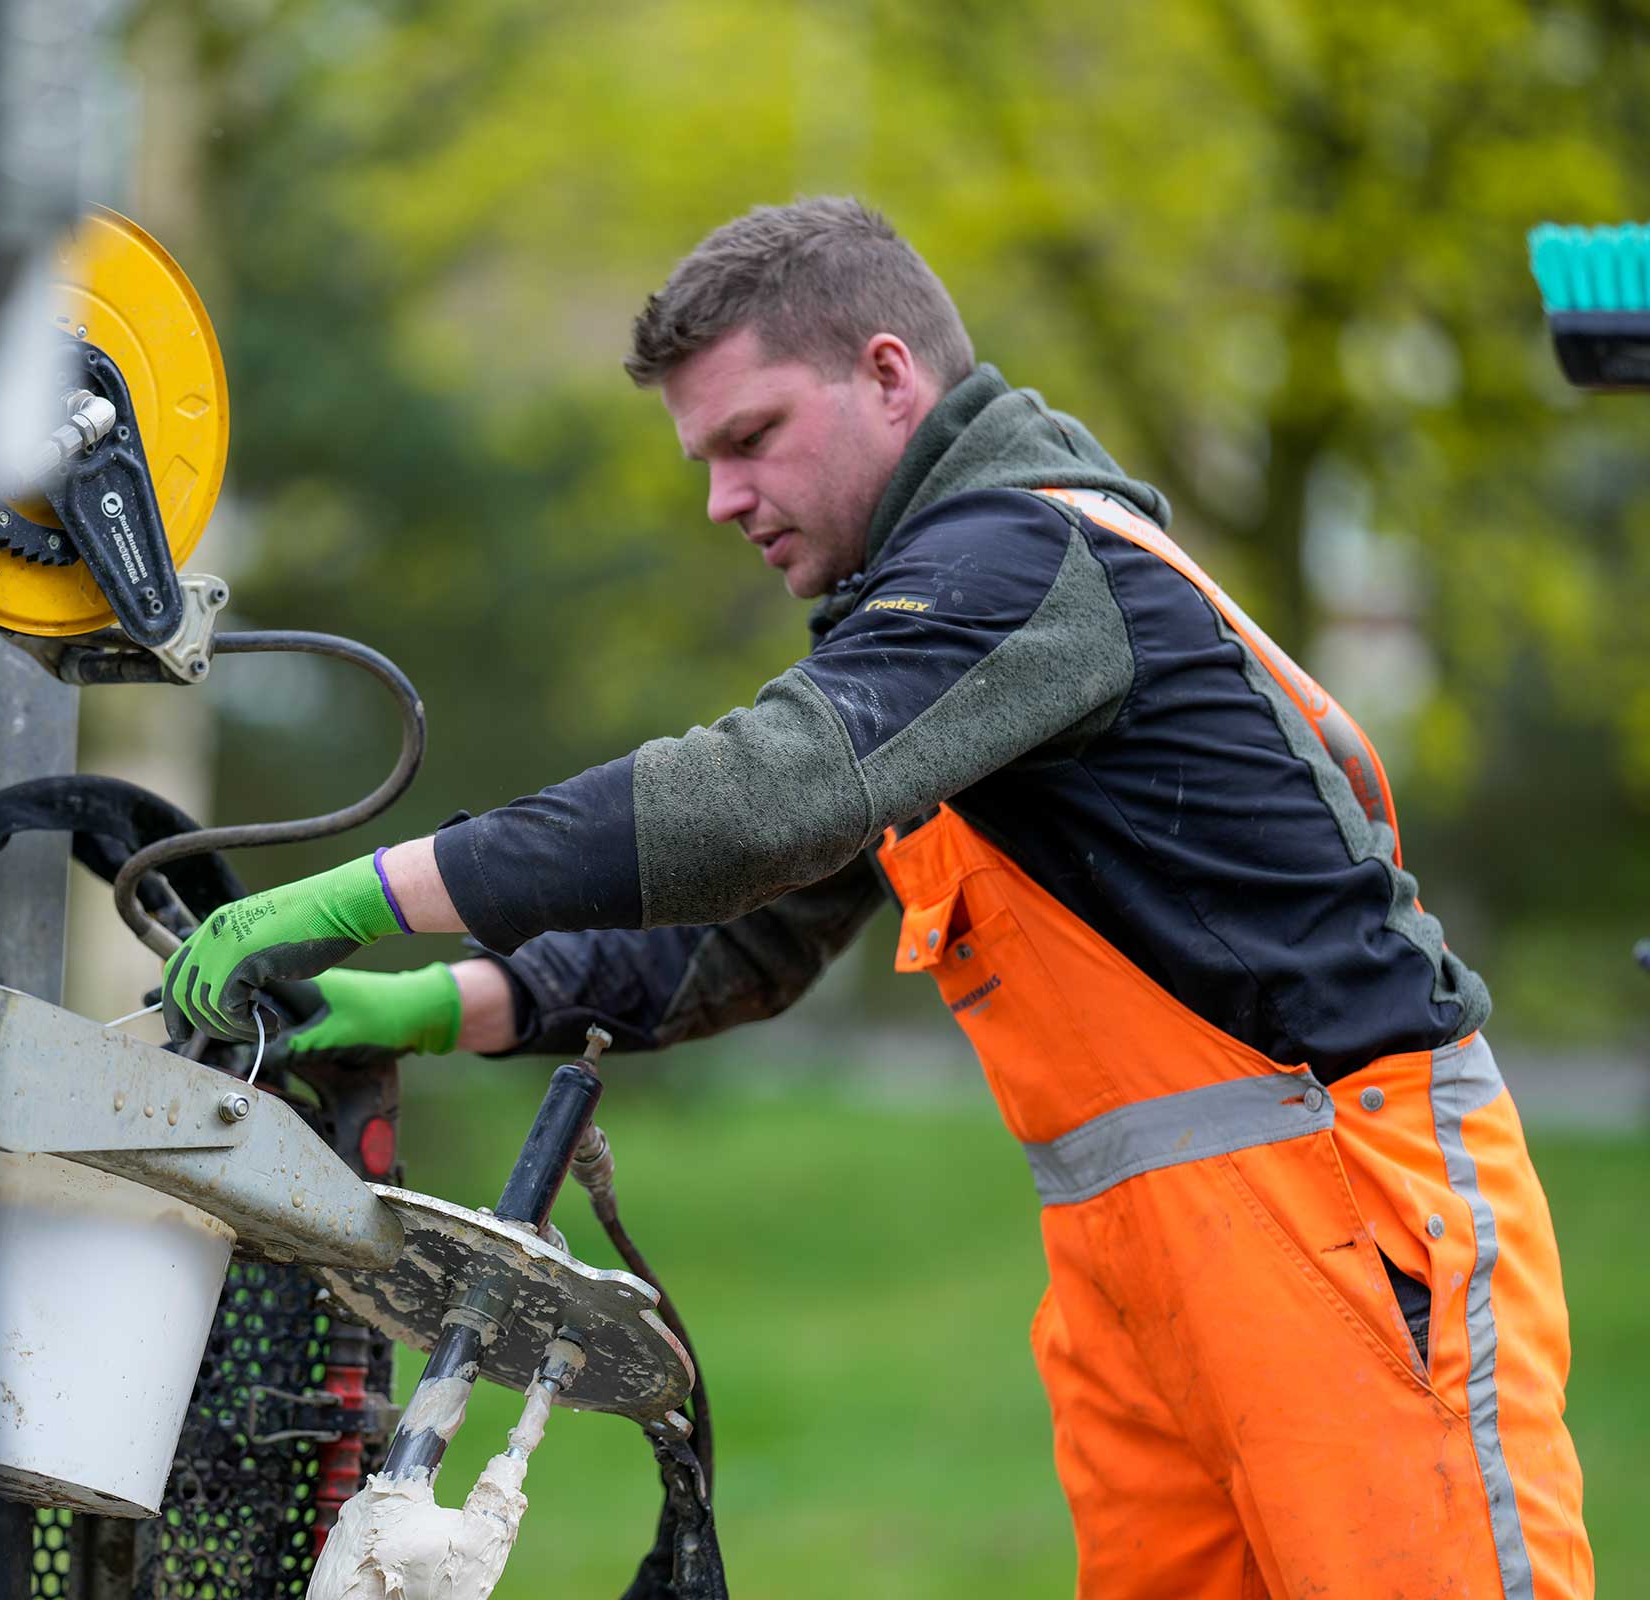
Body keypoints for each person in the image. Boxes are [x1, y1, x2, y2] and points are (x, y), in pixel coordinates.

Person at [159, 197, 1592, 1598]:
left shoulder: (1023, 561)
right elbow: (746, 939)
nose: (723, 498)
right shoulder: (951, 630)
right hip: (1147, 1281)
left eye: (751, 438)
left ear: (889, 378)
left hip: (1348, 1229)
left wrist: (362, 893)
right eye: (705, 459)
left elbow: (756, 801)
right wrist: (436, 1001)